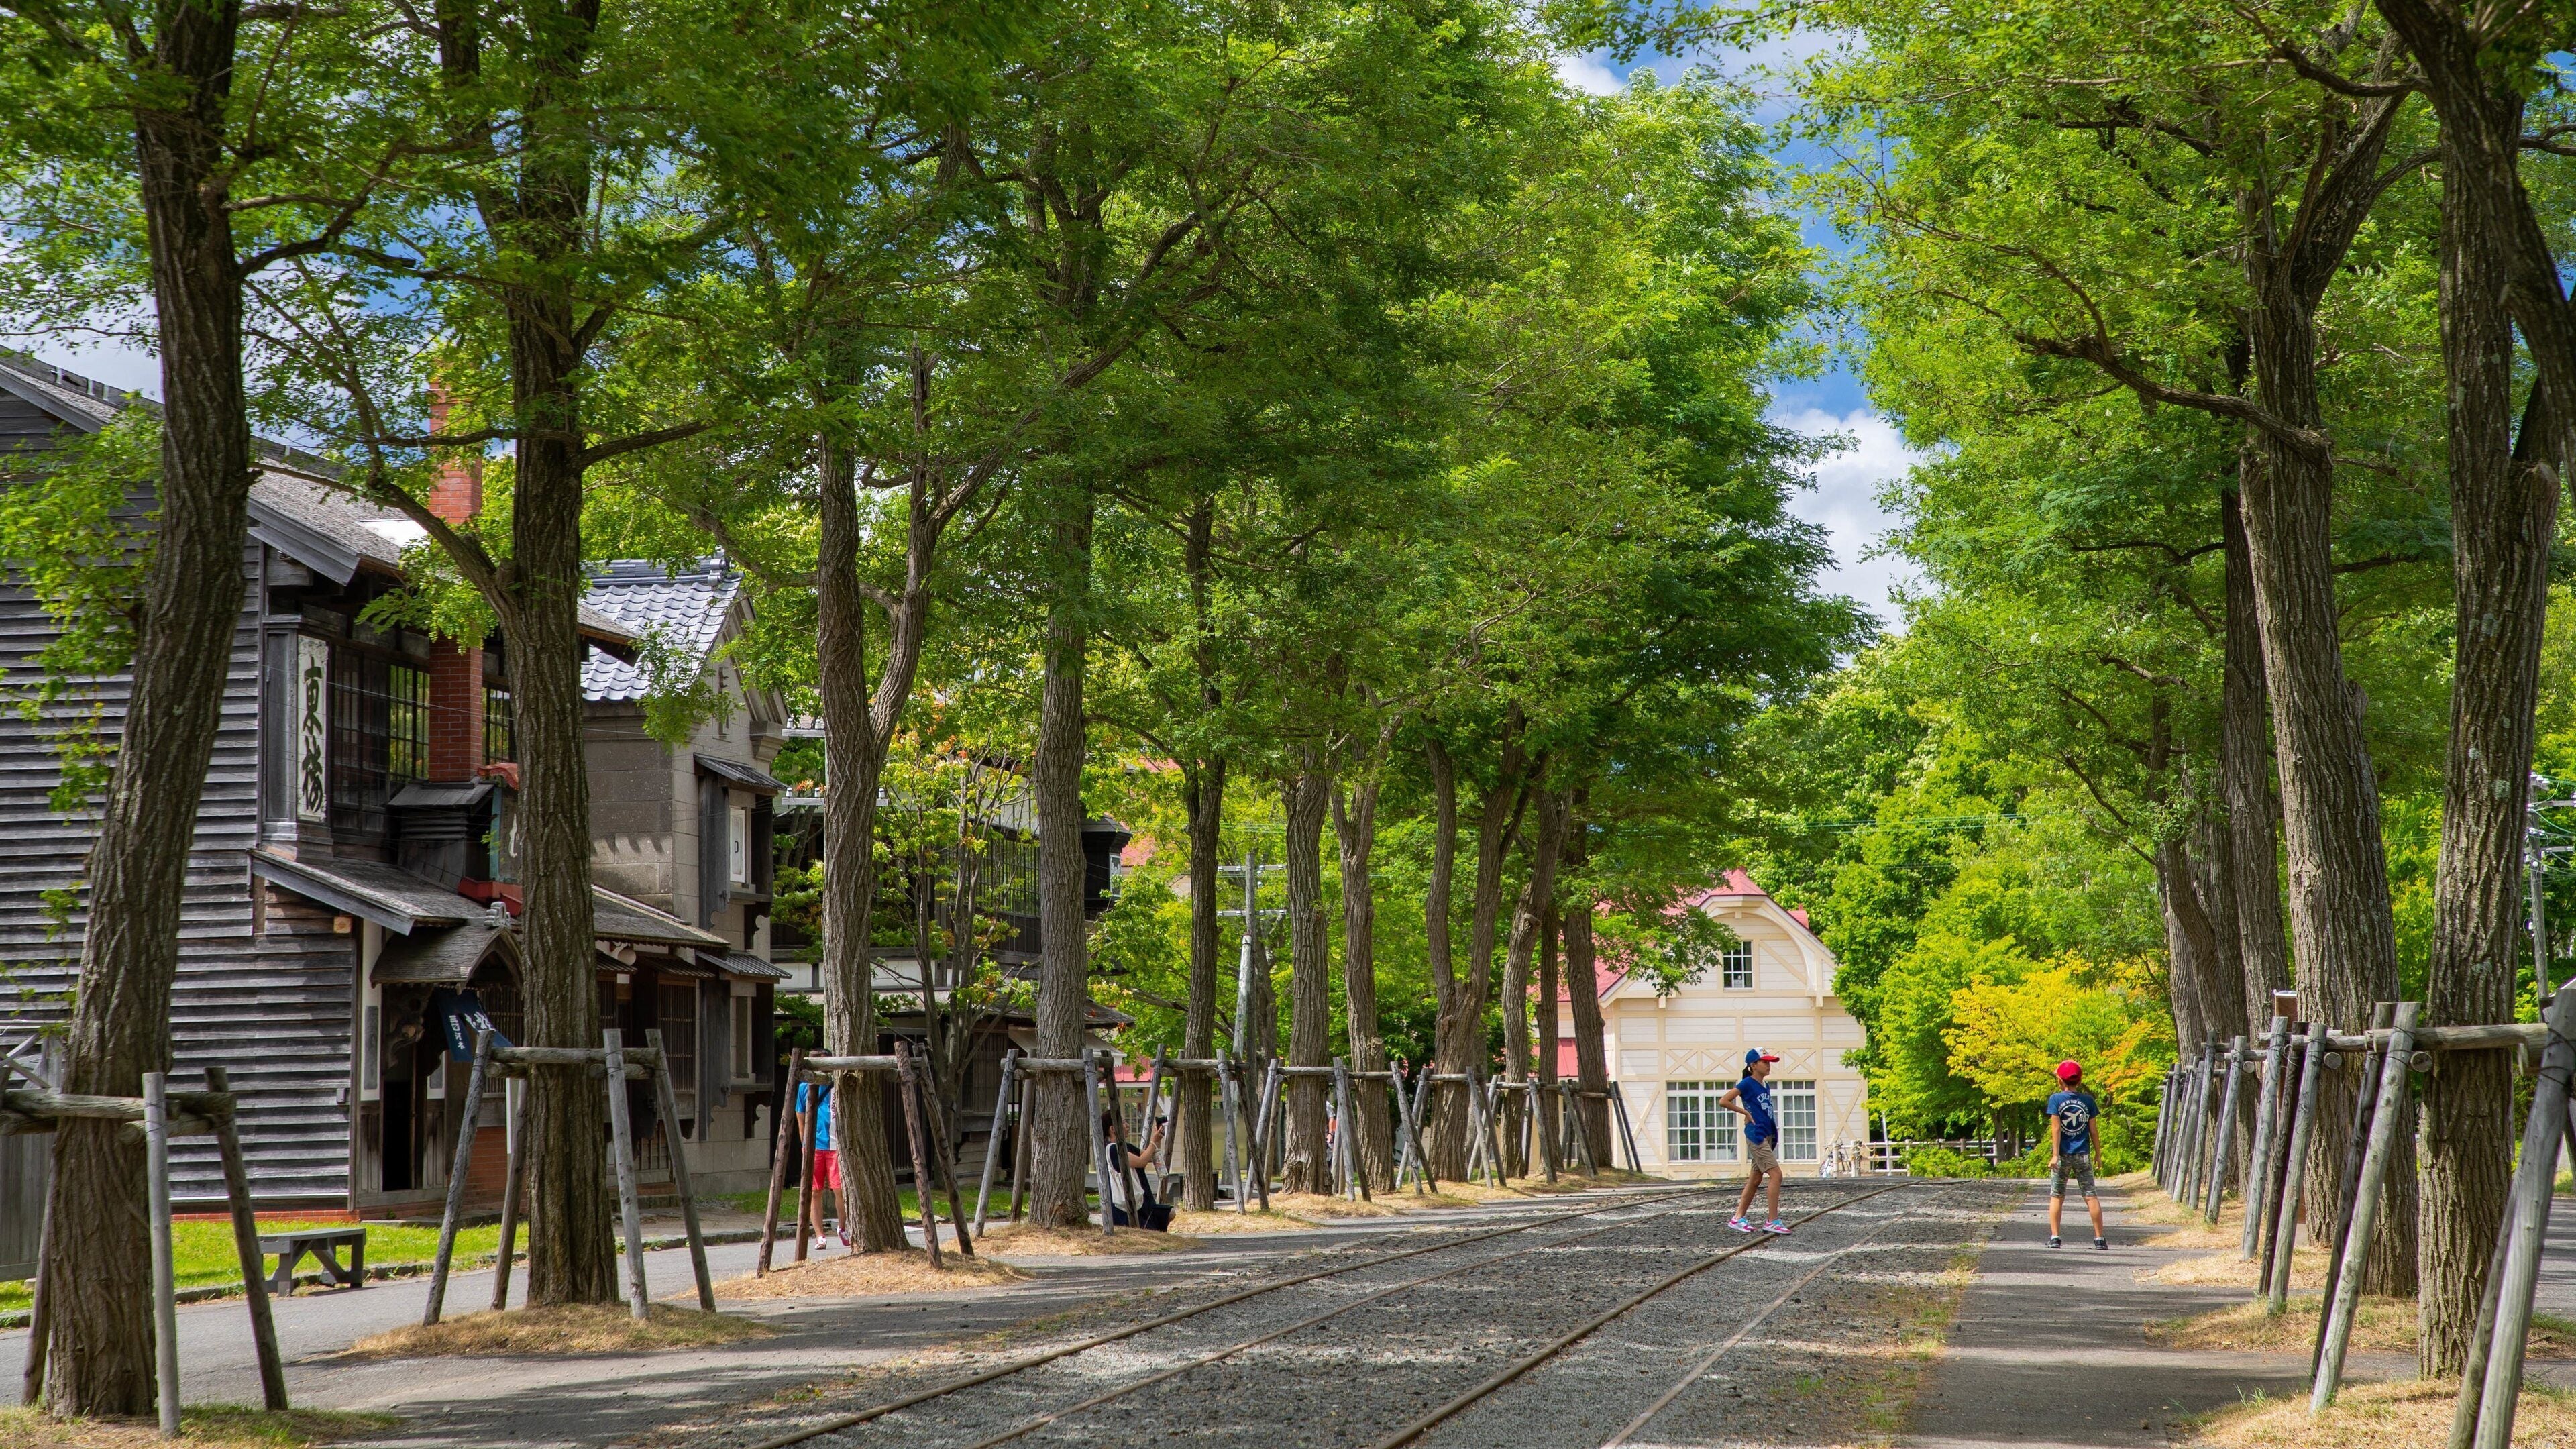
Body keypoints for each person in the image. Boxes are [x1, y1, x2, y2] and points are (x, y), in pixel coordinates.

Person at [1720, 1049, 1790, 1235]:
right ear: (1752, 1065)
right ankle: (1772, 1221)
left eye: (1769, 1062)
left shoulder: (1764, 1086)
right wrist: (1745, 1112)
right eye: (1764, 1062)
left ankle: (1737, 1218)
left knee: (1756, 1179)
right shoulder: (1747, 1084)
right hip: (1756, 1135)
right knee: (1776, 1175)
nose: (1768, 1065)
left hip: (1767, 1136)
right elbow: (1724, 1101)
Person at [2046, 1059, 2107, 1250]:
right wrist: (2098, 1154)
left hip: (2062, 1155)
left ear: (2060, 1080)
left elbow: (2056, 1129)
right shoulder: (2088, 1101)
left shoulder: (2056, 1100)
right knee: (2090, 1196)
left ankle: (2055, 1237)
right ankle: (2100, 1239)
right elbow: (2094, 1131)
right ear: (2079, 1080)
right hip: (2083, 1154)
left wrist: (2055, 1154)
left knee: (2057, 1196)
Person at [794, 1075, 845, 1248]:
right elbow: (801, 1120)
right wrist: (804, 1146)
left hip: (836, 1146)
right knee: (815, 1191)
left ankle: (842, 1227)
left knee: (839, 1190)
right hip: (815, 1148)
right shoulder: (804, 1088)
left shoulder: (837, 1085)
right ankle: (820, 1236)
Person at [1104, 1108, 1173, 1230]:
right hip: (1127, 1205)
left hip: (1140, 1201)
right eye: (1124, 1123)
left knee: (1169, 1214)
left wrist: (1157, 1139)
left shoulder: (1126, 1147)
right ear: (1112, 1129)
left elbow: (1148, 1156)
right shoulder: (1113, 1149)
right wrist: (1154, 1142)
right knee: (1165, 1216)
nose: (1128, 1126)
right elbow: (1141, 1162)